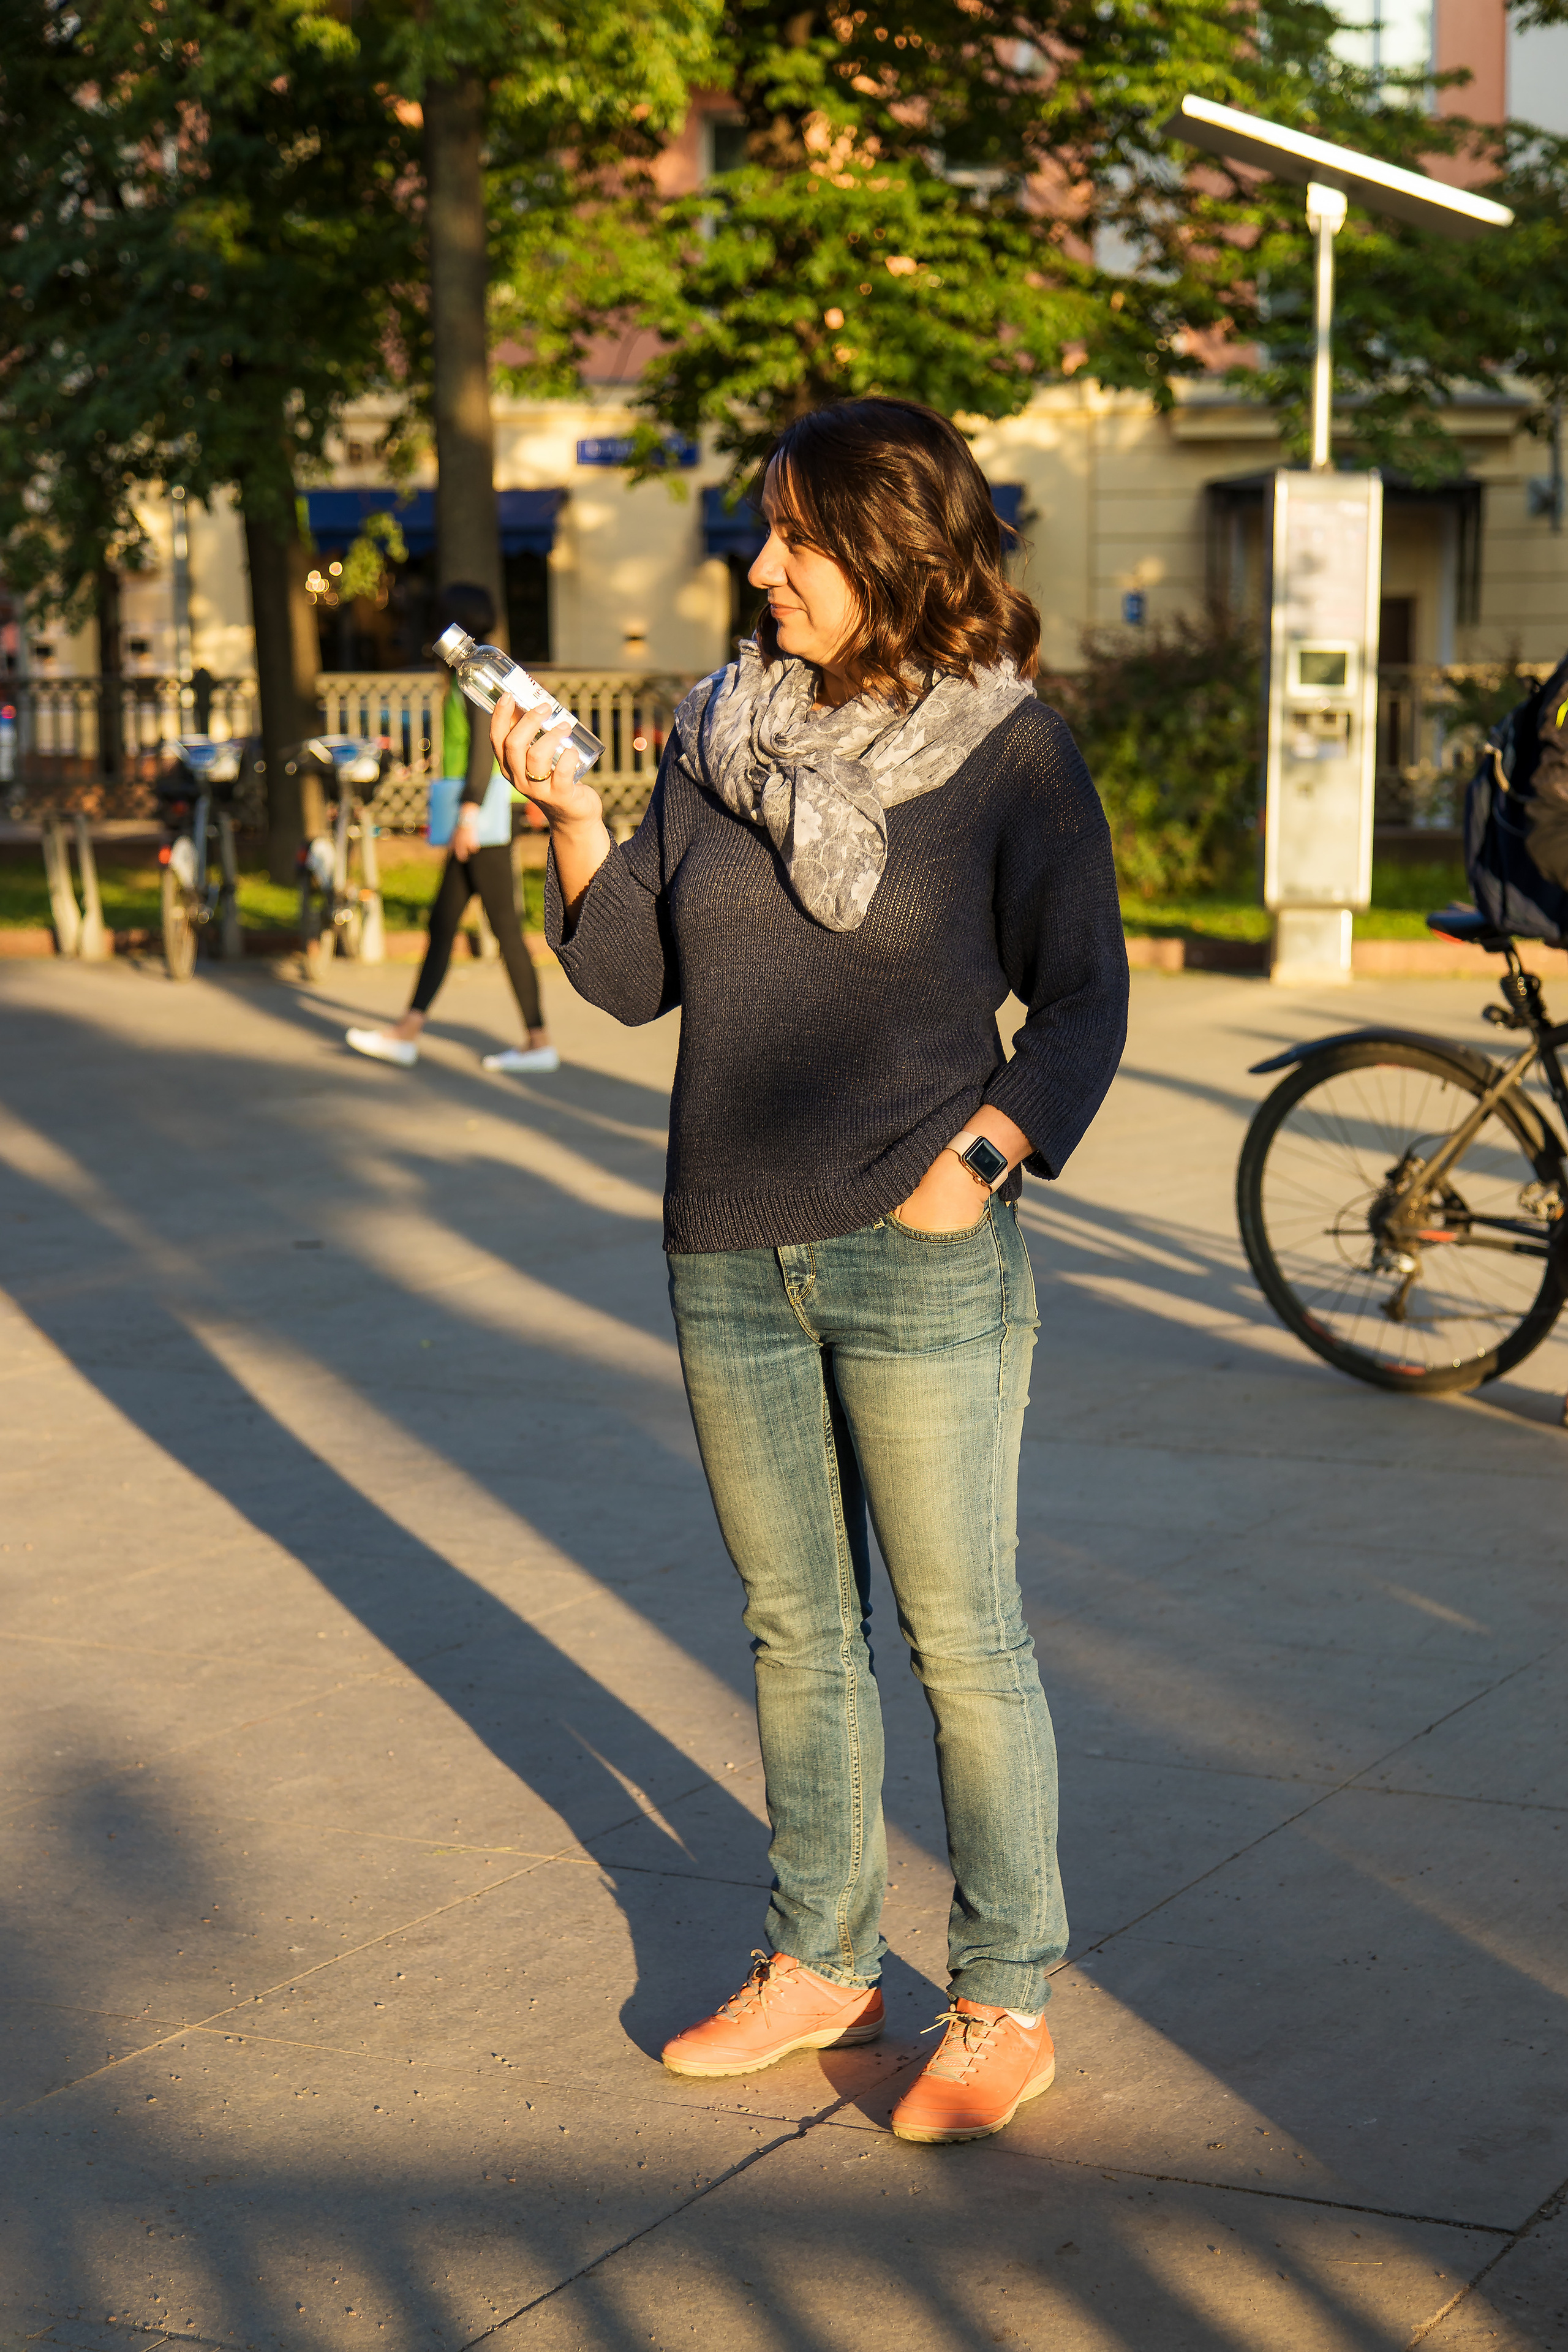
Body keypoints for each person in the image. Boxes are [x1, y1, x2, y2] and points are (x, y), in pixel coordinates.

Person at [491, 399, 1128, 2146]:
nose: (758, 567)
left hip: (920, 1257)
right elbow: (629, 977)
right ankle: (821, 1960)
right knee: (795, 1635)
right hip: (728, 1247)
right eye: (760, 533)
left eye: (795, 537)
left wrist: (976, 1166)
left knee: (962, 1641)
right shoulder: (716, 736)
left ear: (896, 549)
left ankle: (1004, 1997)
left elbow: (1083, 1002)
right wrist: (569, 810)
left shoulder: (1011, 753)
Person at [345, 581, 558, 1075]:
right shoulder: (480, 670)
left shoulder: (474, 677)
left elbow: (484, 750)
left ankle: (536, 1040)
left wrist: (466, 813)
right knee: (445, 925)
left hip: (480, 818)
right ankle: (410, 1031)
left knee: (503, 930)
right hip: (483, 816)